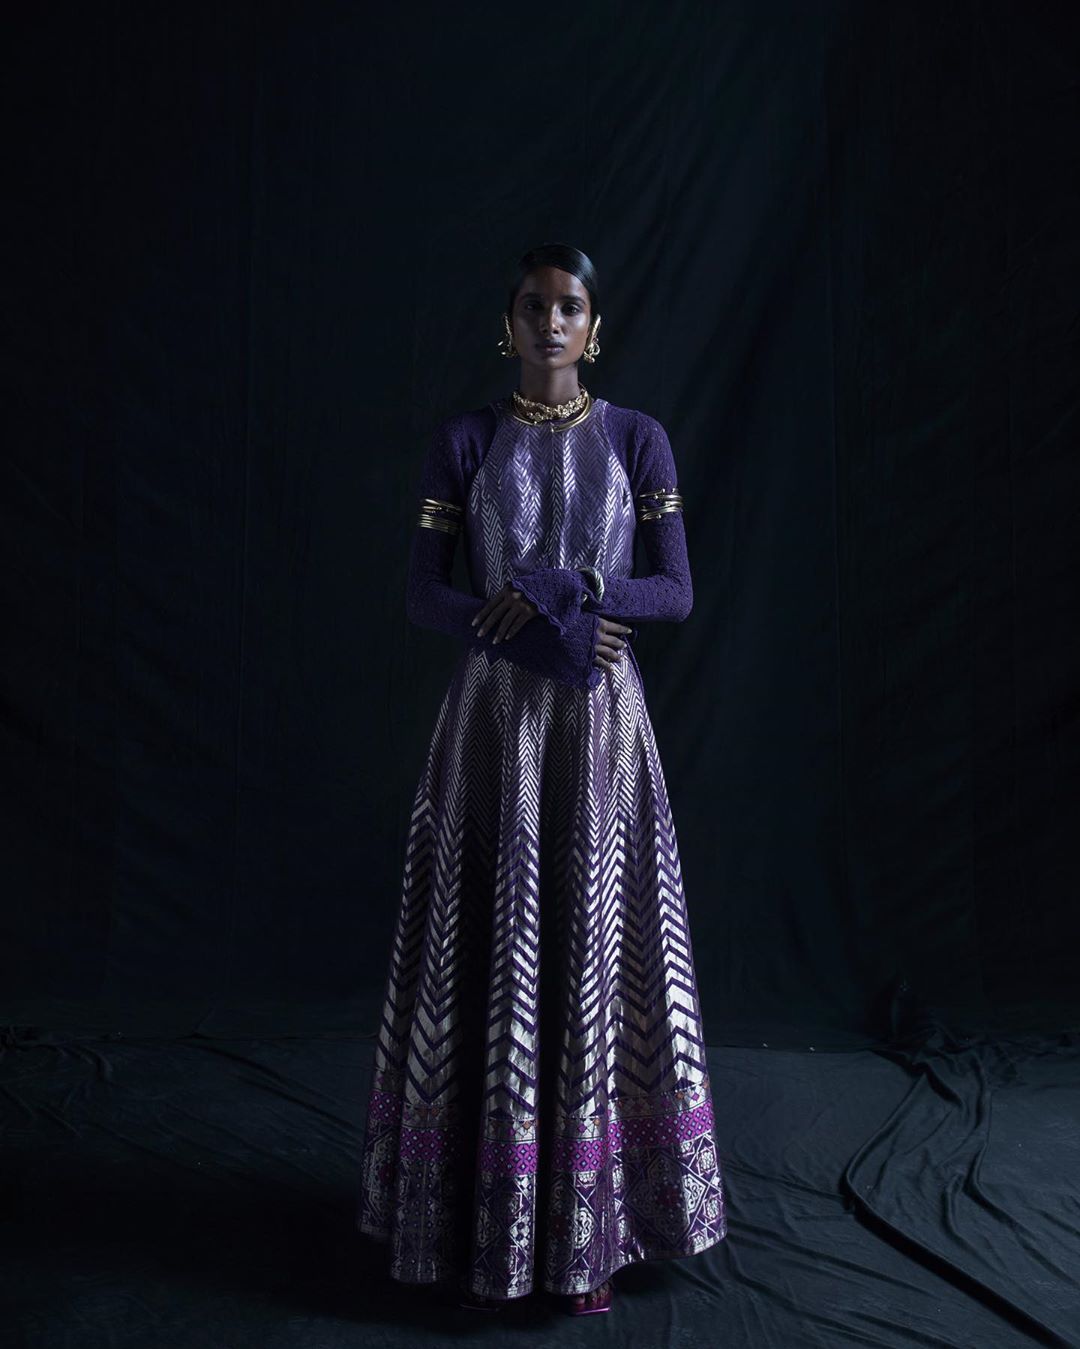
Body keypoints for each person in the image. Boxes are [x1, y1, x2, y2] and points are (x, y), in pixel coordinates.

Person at [357, 243, 727, 1316]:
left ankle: (588, 1231)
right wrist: (514, 628)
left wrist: (577, 587)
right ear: (508, 322)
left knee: (595, 950)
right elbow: (423, 594)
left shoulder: (638, 438)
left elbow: (676, 590)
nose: (551, 321)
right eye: (533, 305)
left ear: (593, 326)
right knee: (488, 946)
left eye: (570, 306)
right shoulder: (465, 442)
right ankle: (475, 1218)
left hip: (602, 731)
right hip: (493, 724)